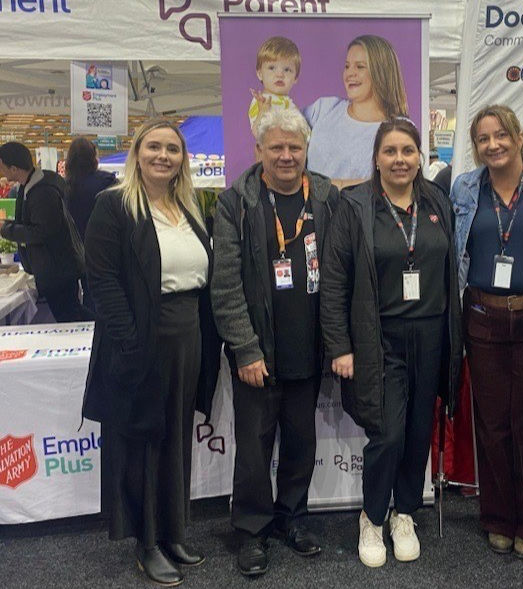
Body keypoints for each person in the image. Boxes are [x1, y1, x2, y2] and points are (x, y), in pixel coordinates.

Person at [82, 118, 221, 587]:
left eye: (173, 149)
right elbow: (102, 280)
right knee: (143, 441)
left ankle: (173, 532)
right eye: (154, 147)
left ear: (184, 159)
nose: (164, 155)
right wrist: (130, 343)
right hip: (142, 339)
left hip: (188, 336)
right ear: (137, 153)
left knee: (177, 436)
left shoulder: (190, 206)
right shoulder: (114, 206)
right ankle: (146, 544)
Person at [320, 118, 462, 568]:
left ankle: (405, 513)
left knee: (419, 431)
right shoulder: (355, 205)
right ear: (377, 158)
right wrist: (340, 346)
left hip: (432, 334)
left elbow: (448, 268)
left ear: (420, 156)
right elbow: (335, 281)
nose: (399, 160)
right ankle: (372, 516)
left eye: (407, 151)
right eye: (390, 151)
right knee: (388, 434)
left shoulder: (436, 200)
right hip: (379, 338)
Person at [211, 108, 338, 577]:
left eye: (295, 147)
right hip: (257, 354)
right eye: (277, 148)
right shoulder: (236, 203)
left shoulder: (325, 197)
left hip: (308, 348)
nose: (287, 156)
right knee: (254, 449)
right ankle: (251, 531)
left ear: (306, 150)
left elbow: (339, 273)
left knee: (302, 444)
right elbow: (224, 285)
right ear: (259, 150)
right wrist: (244, 348)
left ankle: (292, 518)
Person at [449, 104, 523, 558]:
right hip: (481, 317)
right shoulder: (464, 188)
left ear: (520, 137)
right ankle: (497, 516)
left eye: (501, 135)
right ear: (476, 147)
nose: (493, 145)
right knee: (493, 425)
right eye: (483, 139)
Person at [0, 142, 91, 322]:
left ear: (14, 168)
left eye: (2, 166)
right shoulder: (30, 187)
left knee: (70, 315)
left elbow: (41, 232)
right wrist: (0, 224)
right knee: (70, 313)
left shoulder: (42, 192)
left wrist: (6, 230)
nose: (0, 171)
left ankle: (105, 338)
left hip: (56, 269)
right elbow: (31, 224)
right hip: (52, 267)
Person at [304, 35, 409, 186]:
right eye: (347, 66)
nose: (349, 73)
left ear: (381, 72)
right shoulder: (324, 109)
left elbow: (396, 185)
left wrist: (326, 188)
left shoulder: (399, 130)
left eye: (360, 67)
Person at [65, 137, 118, 240]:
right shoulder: (108, 181)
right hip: (103, 242)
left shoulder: (64, 186)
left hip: (73, 247)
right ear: (93, 158)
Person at [248, 36, 302, 132]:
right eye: (272, 68)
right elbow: (257, 132)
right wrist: (263, 111)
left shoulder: (289, 104)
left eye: (287, 70)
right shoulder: (262, 101)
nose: (280, 74)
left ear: (295, 77)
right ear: (260, 74)